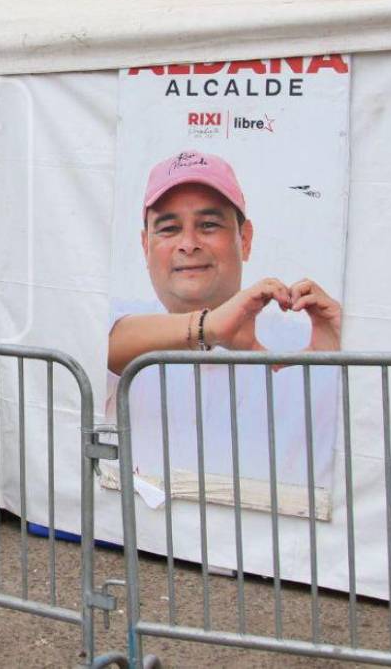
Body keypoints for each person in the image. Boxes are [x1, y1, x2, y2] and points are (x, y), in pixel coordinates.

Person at [107, 150, 342, 490]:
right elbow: (96, 346)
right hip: (139, 541)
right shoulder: (121, 321)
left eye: (209, 225)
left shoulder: (305, 340)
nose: (188, 244)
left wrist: (349, 356)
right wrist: (210, 326)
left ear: (244, 240)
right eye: (169, 228)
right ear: (145, 245)